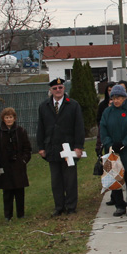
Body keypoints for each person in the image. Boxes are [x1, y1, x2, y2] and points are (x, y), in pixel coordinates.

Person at [37, 77, 85, 216]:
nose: (58, 90)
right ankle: (59, 206)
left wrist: (79, 146)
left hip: (69, 148)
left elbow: (79, 127)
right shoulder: (44, 106)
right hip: (52, 147)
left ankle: (71, 206)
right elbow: (41, 128)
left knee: (70, 179)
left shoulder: (73, 105)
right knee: (56, 180)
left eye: (60, 88)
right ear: (51, 90)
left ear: (64, 88)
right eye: (55, 88)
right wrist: (41, 147)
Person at [99, 84, 127, 216]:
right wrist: (110, 144)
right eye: (114, 98)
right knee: (115, 178)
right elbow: (103, 129)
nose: (116, 101)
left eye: (119, 98)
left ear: (124, 98)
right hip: (113, 151)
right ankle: (119, 205)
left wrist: (124, 143)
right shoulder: (107, 112)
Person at [0, 107, 32, 221]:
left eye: (11, 117)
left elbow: (27, 148)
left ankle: (21, 214)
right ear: (3, 119)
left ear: (14, 118)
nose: (9, 119)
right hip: (5, 166)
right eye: (6, 117)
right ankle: (8, 215)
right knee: (7, 192)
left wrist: (23, 160)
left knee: (19, 191)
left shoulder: (21, 131)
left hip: (18, 166)